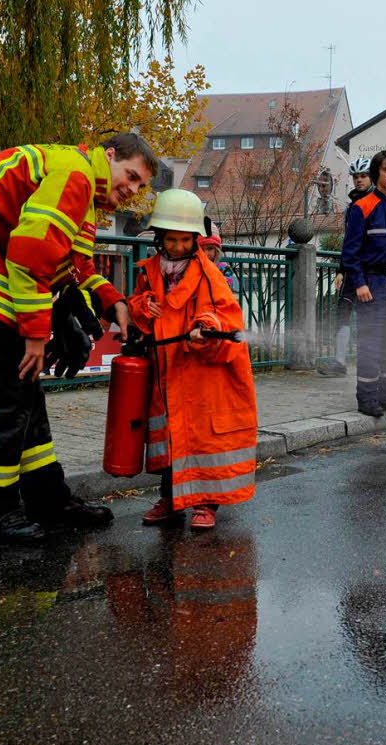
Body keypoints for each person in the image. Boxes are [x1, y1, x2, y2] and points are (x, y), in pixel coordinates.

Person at [0, 133, 155, 542]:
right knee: (1, 396)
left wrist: (113, 304)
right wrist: (37, 334)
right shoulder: (76, 176)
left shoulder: (82, 187)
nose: (133, 190)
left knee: (25, 394)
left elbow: (76, 268)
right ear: (109, 157)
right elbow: (30, 255)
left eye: (140, 186)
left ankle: (48, 500)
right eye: (132, 176)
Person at [127, 189, 257, 531]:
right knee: (173, 441)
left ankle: (206, 503)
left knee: (203, 440)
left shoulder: (207, 273)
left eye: (186, 240)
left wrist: (206, 327)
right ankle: (170, 500)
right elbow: (137, 305)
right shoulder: (148, 270)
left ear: (196, 239)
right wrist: (143, 308)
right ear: (159, 238)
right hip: (166, 374)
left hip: (202, 376)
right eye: (172, 240)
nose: (179, 247)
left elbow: (225, 314)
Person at [340, 150, 386, 418]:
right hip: (371, 284)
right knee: (371, 342)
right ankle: (367, 399)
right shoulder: (362, 207)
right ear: (377, 174)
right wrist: (359, 283)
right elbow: (350, 253)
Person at [318, 157, 374, 377]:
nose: (359, 180)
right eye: (356, 177)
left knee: (369, 316)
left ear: (371, 177)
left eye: (363, 176)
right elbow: (350, 241)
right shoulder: (352, 207)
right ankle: (340, 362)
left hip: (371, 269)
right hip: (353, 268)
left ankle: (371, 362)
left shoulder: (376, 203)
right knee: (343, 312)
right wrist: (342, 269)